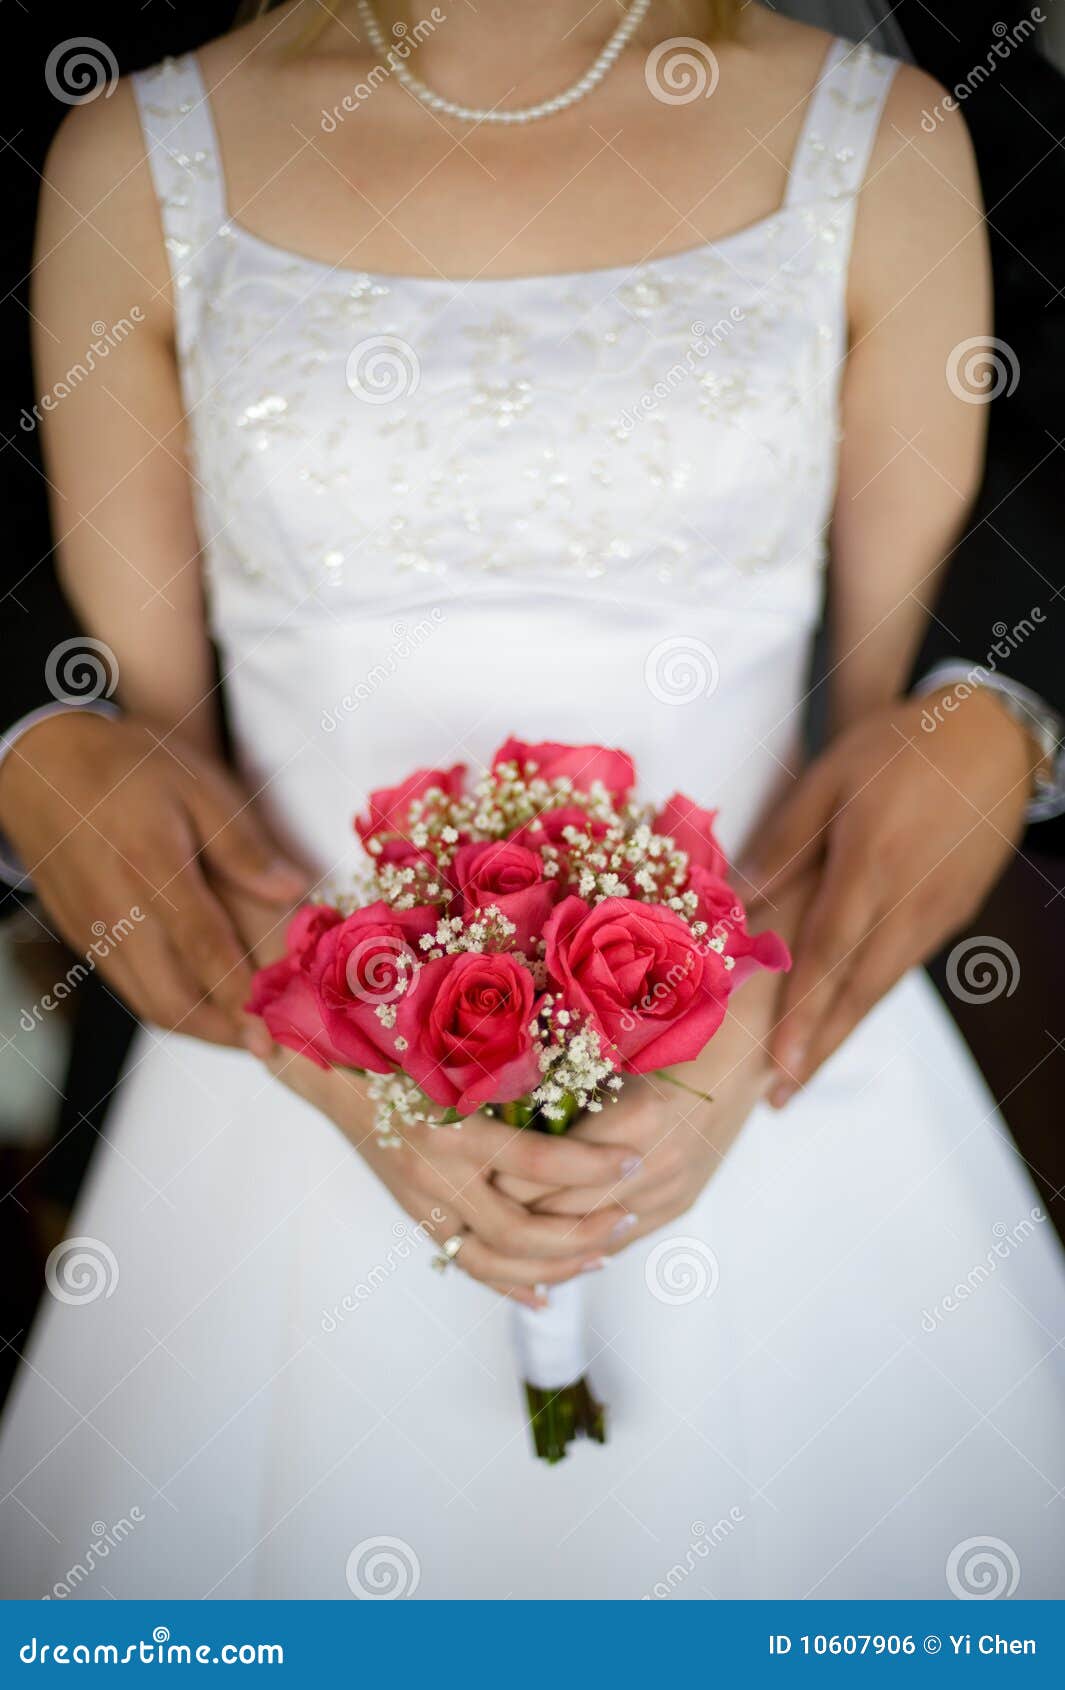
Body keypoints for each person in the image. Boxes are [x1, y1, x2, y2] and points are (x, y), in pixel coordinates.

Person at [1, 0, 1064, 1599]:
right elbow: (163, 789)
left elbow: (876, 757)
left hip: (758, 1078)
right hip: (287, 1099)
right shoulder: (131, 153)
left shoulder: (889, 135)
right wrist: (363, 1087)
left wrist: (708, 1062)